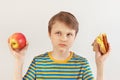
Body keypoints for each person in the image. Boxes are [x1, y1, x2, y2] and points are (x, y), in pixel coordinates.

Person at [9, 11, 110, 80]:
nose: (63, 38)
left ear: (75, 36)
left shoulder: (82, 64)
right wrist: (19, 60)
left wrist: (100, 64)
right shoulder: (38, 63)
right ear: (49, 33)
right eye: (58, 33)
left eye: (69, 34)